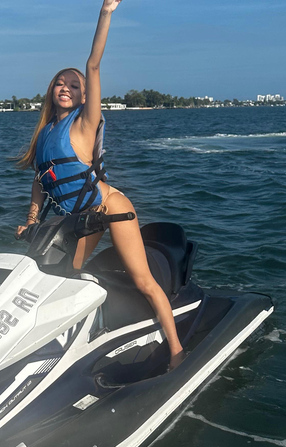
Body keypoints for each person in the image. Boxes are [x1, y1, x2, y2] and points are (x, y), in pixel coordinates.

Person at [15, 0, 184, 367]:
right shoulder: (45, 133)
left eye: (73, 85)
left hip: (110, 208)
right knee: (60, 275)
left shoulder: (84, 123)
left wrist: (105, 12)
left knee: (143, 280)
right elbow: (40, 183)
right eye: (59, 83)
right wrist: (31, 220)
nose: (65, 87)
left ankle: (176, 351)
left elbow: (92, 65)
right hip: (75, 217)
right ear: (50, 91)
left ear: (84, 96)